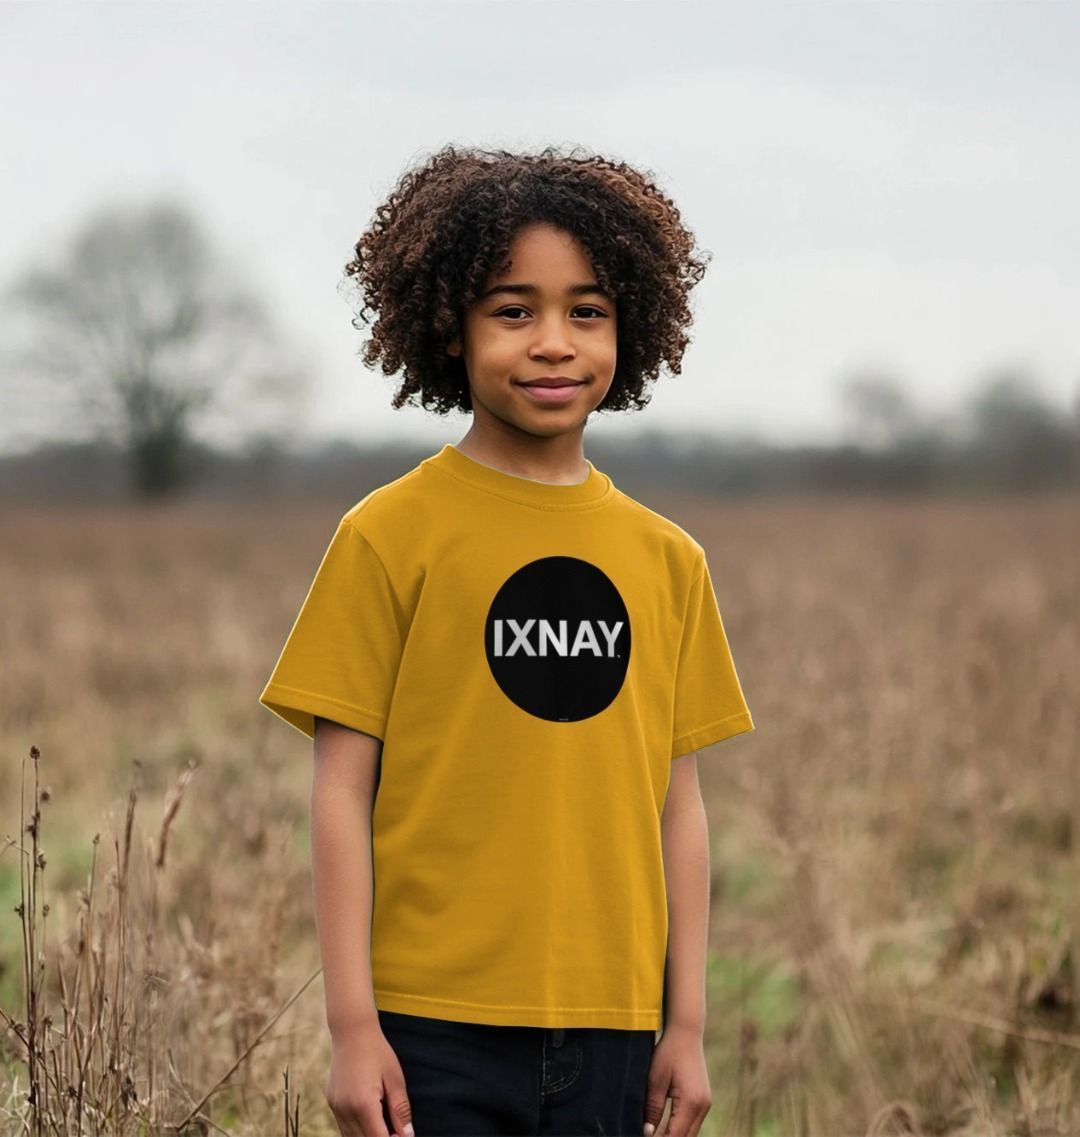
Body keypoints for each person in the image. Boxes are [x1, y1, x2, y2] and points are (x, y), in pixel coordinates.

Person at [259, 144, 755, 1137]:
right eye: (513, 310)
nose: (554, 343)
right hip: (430, 1029)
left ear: (632, 328)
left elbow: (679, 809)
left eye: (587, 311)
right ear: (450, 327)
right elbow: (340, 791)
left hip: (615, 1028)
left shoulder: (668, 560)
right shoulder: (386, 536)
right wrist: (354, 1027)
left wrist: (686, 1024)